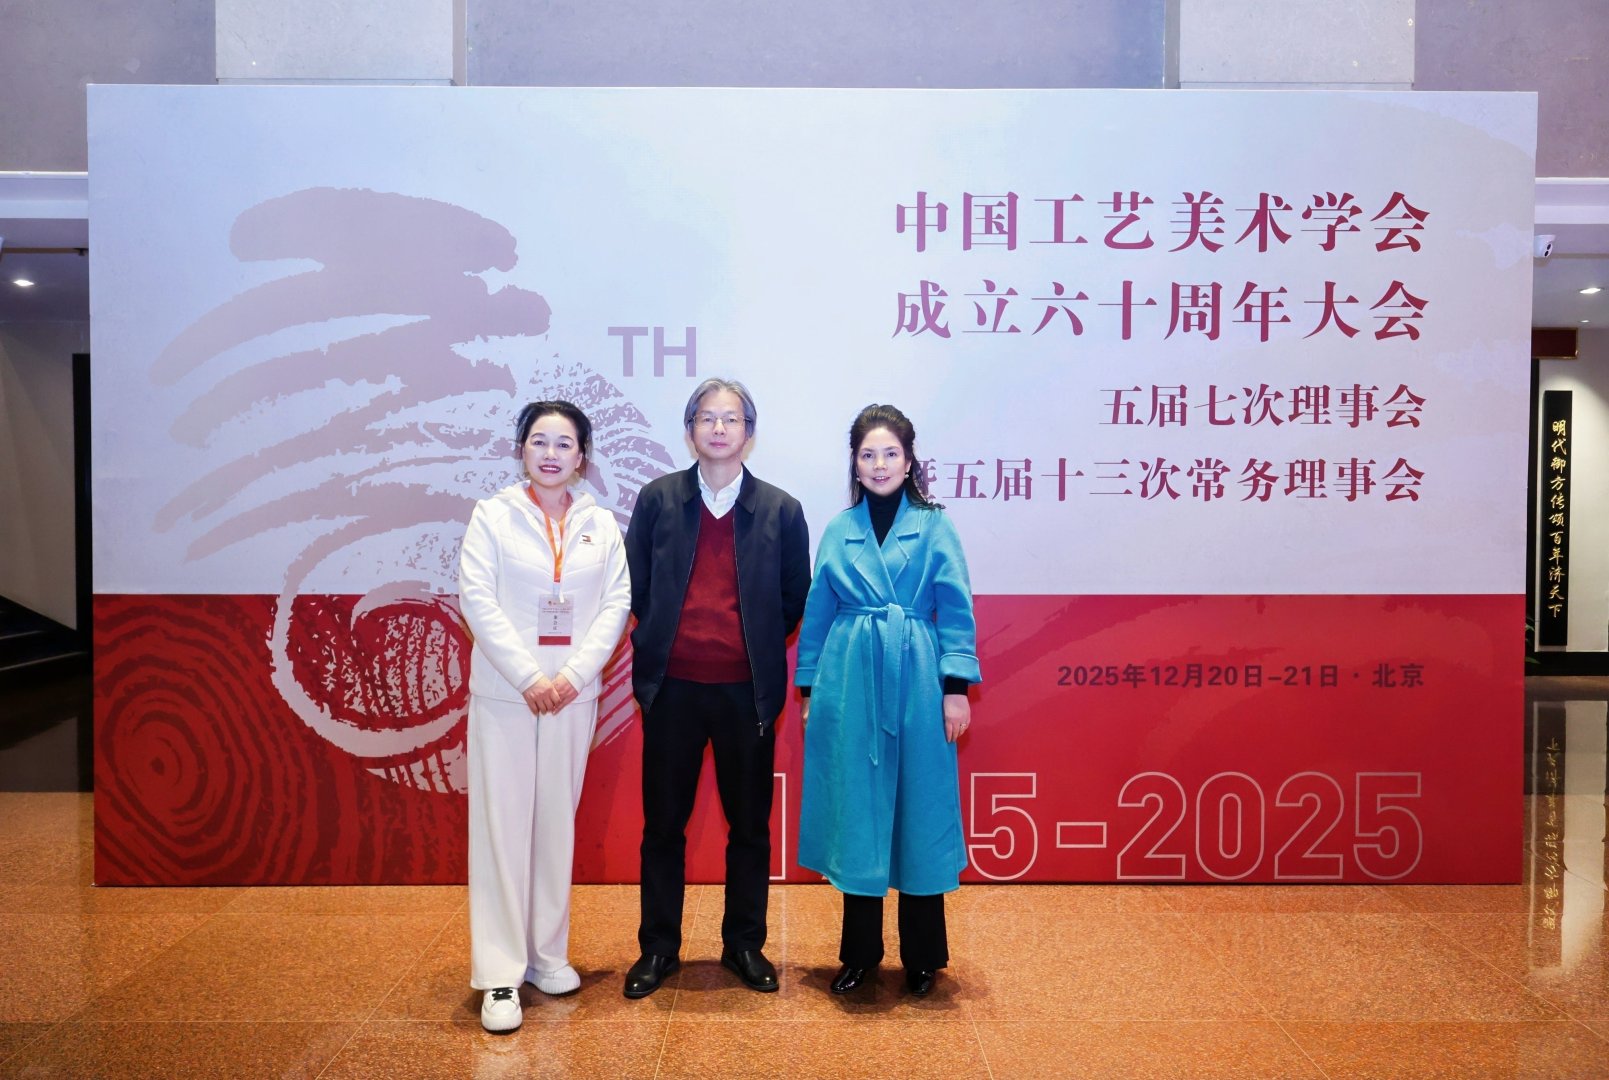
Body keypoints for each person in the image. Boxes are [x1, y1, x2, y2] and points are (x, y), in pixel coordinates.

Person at [622, 377, 811, 998]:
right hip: (672, 690)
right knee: (662, 827)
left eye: (731, 419)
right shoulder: (658, 500)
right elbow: (638, 588)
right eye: (707, 418)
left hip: (745, 694)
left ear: (748, 433)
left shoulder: (781, 510)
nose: (719, 428)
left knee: (750, 827)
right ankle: (658, 949)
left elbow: (793, 599)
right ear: (690, 430)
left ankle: (744, 944)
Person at [795, 403, 980, 998]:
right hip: (851, 678)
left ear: (909, 460)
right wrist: (810, 688)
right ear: (854, 462)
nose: (879, 465)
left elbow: (955, 608)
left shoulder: (935, 526)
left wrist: (956, 691)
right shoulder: (838, 529)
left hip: (918, 674)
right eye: (868, 454)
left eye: (890, 454)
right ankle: (860, 955)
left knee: (920, 810)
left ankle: (923, 957)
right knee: (859, 813)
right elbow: (818, 612)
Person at [459, 400, 631, 1033]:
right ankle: (500, 974)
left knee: (556, 824)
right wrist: (529, 677)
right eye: (539, 441)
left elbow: (616, 602)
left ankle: (546, 955)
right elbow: (477, 598)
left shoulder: (600, 524)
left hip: (570, 696)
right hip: (509, 694)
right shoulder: (492, 516)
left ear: (582, 455)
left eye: (564, 443)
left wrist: (573, 676)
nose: (551, 454)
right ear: (521, 450)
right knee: (503, 828)